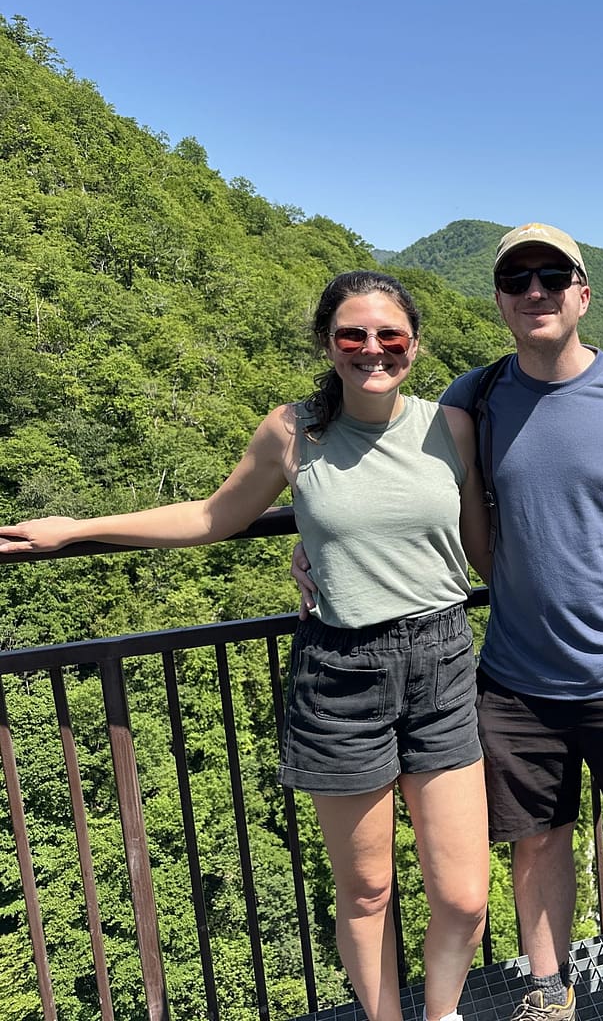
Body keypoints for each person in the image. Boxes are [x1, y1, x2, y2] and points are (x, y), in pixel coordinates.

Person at [1, 271, 491, 1021]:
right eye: (352, 334)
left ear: (415, 345)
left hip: (444, 661)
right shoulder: (293, 431)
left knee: (462, 896)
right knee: (367, 891)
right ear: (328, 344)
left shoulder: (449, 428)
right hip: (341, 673)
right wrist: (78, 529)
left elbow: (487, 551)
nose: (372, 349)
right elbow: (213, 517)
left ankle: (443, 1012)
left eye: (390, 334)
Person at [298, 224, 603, 1021]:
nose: (535, 291)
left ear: (583, 294)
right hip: (517, 679)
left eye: (552, 276)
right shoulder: (474, 399)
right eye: (516, 279)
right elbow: (383, 467)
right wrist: (314, 550)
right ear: (500, 301)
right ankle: (547, 989)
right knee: (536, 842)